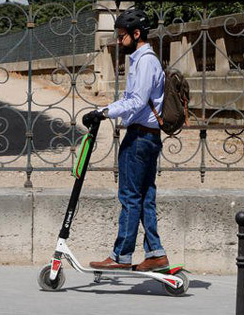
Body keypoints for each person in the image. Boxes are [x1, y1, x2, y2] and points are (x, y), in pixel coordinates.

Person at [82, 9, 169, 272]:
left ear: (136, 34)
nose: (119, 42)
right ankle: (155, 253)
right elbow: (135, 100)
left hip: (140, 137)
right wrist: (105, 110)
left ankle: (121, 255)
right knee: (145, 197)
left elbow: (136, 101)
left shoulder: (145, 62)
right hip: (147, 136)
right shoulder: (145, 60)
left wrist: (103, 112)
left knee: (130, 196)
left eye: (122, 37)